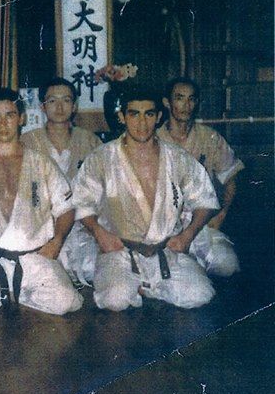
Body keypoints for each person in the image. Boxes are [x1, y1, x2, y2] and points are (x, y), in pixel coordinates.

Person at [72, 86, 219, 311]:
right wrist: (99, 233)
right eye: (134, 114)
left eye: (149, 114)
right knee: (114, 300)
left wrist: (187, 235)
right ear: (122, 117)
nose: (142, 123)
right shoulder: (101, 158)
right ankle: (136, 285)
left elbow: (205, 200)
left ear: (159, 117)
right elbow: (81, 202)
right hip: (120, 250)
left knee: (201, 294)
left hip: (166, 250)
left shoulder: (177, 158)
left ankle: (146, 287)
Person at [0, 87, 83, 318]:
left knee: (67, 302)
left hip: (33, 255)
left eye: (10, 115)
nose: (3, 123)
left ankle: (12, 293)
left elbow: (65, 209)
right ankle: (14, 292)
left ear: (21, 118)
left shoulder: (41, 163)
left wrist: (57, 241)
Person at [157, 77, 243, 277]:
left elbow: (231, 179)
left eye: (191, 99)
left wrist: (222, 213)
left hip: (203, 224)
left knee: (227, 266)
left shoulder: (209, 138)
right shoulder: (154, 140)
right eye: (179, 98)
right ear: (167, 102)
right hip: (165, 229)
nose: (186, 105)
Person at [21, 77, 101, 285]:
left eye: (66, 100)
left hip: (83, 226)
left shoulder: (90, 141)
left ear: (74, 106)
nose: (59, 106)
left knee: (95, 271)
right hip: (41, 227)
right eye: (52, 100)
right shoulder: (27, 142)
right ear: (42, 106)